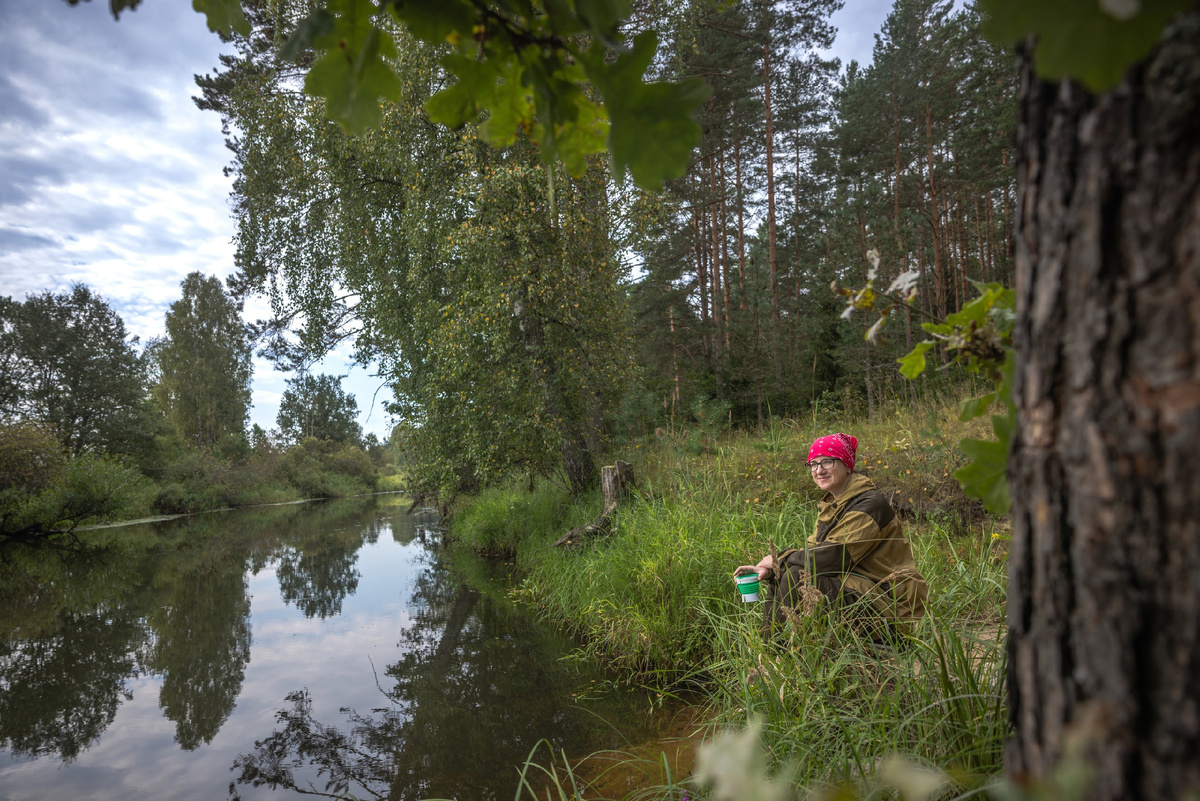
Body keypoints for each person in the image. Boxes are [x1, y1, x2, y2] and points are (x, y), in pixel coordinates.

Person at [734, 433, 927, 641]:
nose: (819, 470)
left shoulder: (870, 504)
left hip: (889, 607)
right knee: (792, 572)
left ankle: (780, 653)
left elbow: (835, 556)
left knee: (796, 574)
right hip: (857, 589)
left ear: (847, 465)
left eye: (827, 461)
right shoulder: (832, 506)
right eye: (813, 464)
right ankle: (774, 652)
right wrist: (773, 571)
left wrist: (778, 559)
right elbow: (812, 556)